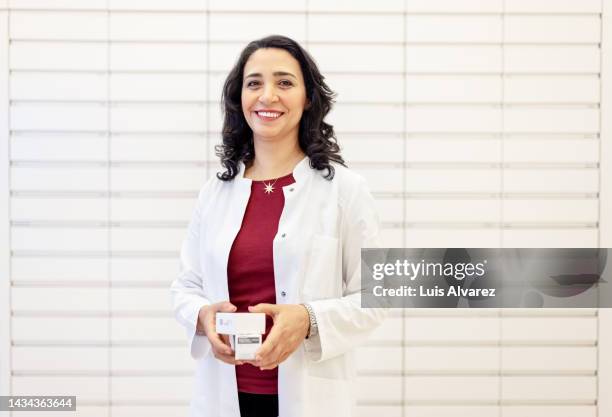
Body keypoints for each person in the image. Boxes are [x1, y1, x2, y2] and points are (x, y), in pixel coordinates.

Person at [170, 34, 387, 417]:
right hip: (224, 396)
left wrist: (308, 319)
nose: (268, 95)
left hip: (311, 400)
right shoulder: (214, 193)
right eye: (254, 83)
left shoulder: (346, 190)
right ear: (240, 98)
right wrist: (202, 316)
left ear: (307, 99)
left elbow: (377, 296)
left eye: (284, 82)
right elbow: (187, 286)